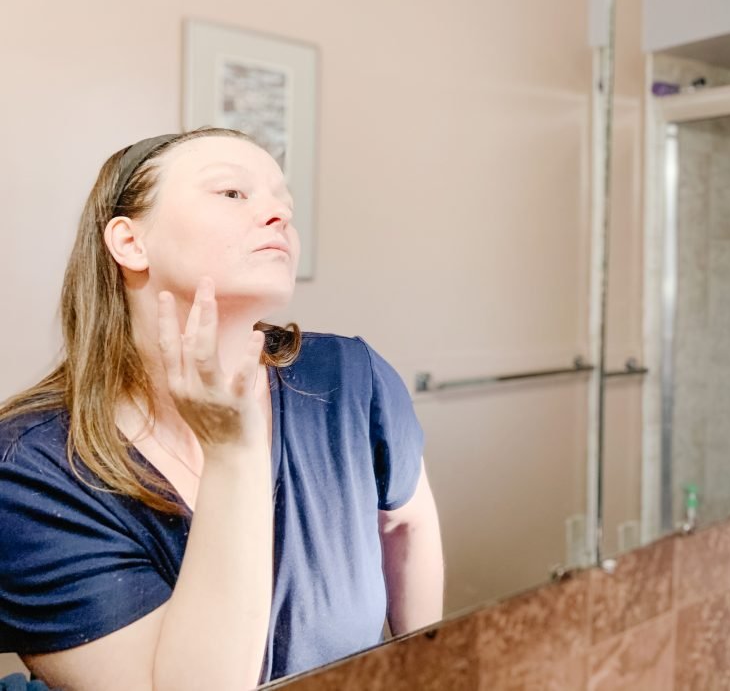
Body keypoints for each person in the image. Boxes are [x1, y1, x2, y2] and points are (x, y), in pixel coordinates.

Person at [0, 128, 444, 690]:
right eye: (233, 193)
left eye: (285, 203)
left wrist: (428, 669)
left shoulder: (351, 378)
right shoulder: (30, 472)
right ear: (130, 243)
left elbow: (406, 525)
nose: (278, 216)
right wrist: (233, 454)